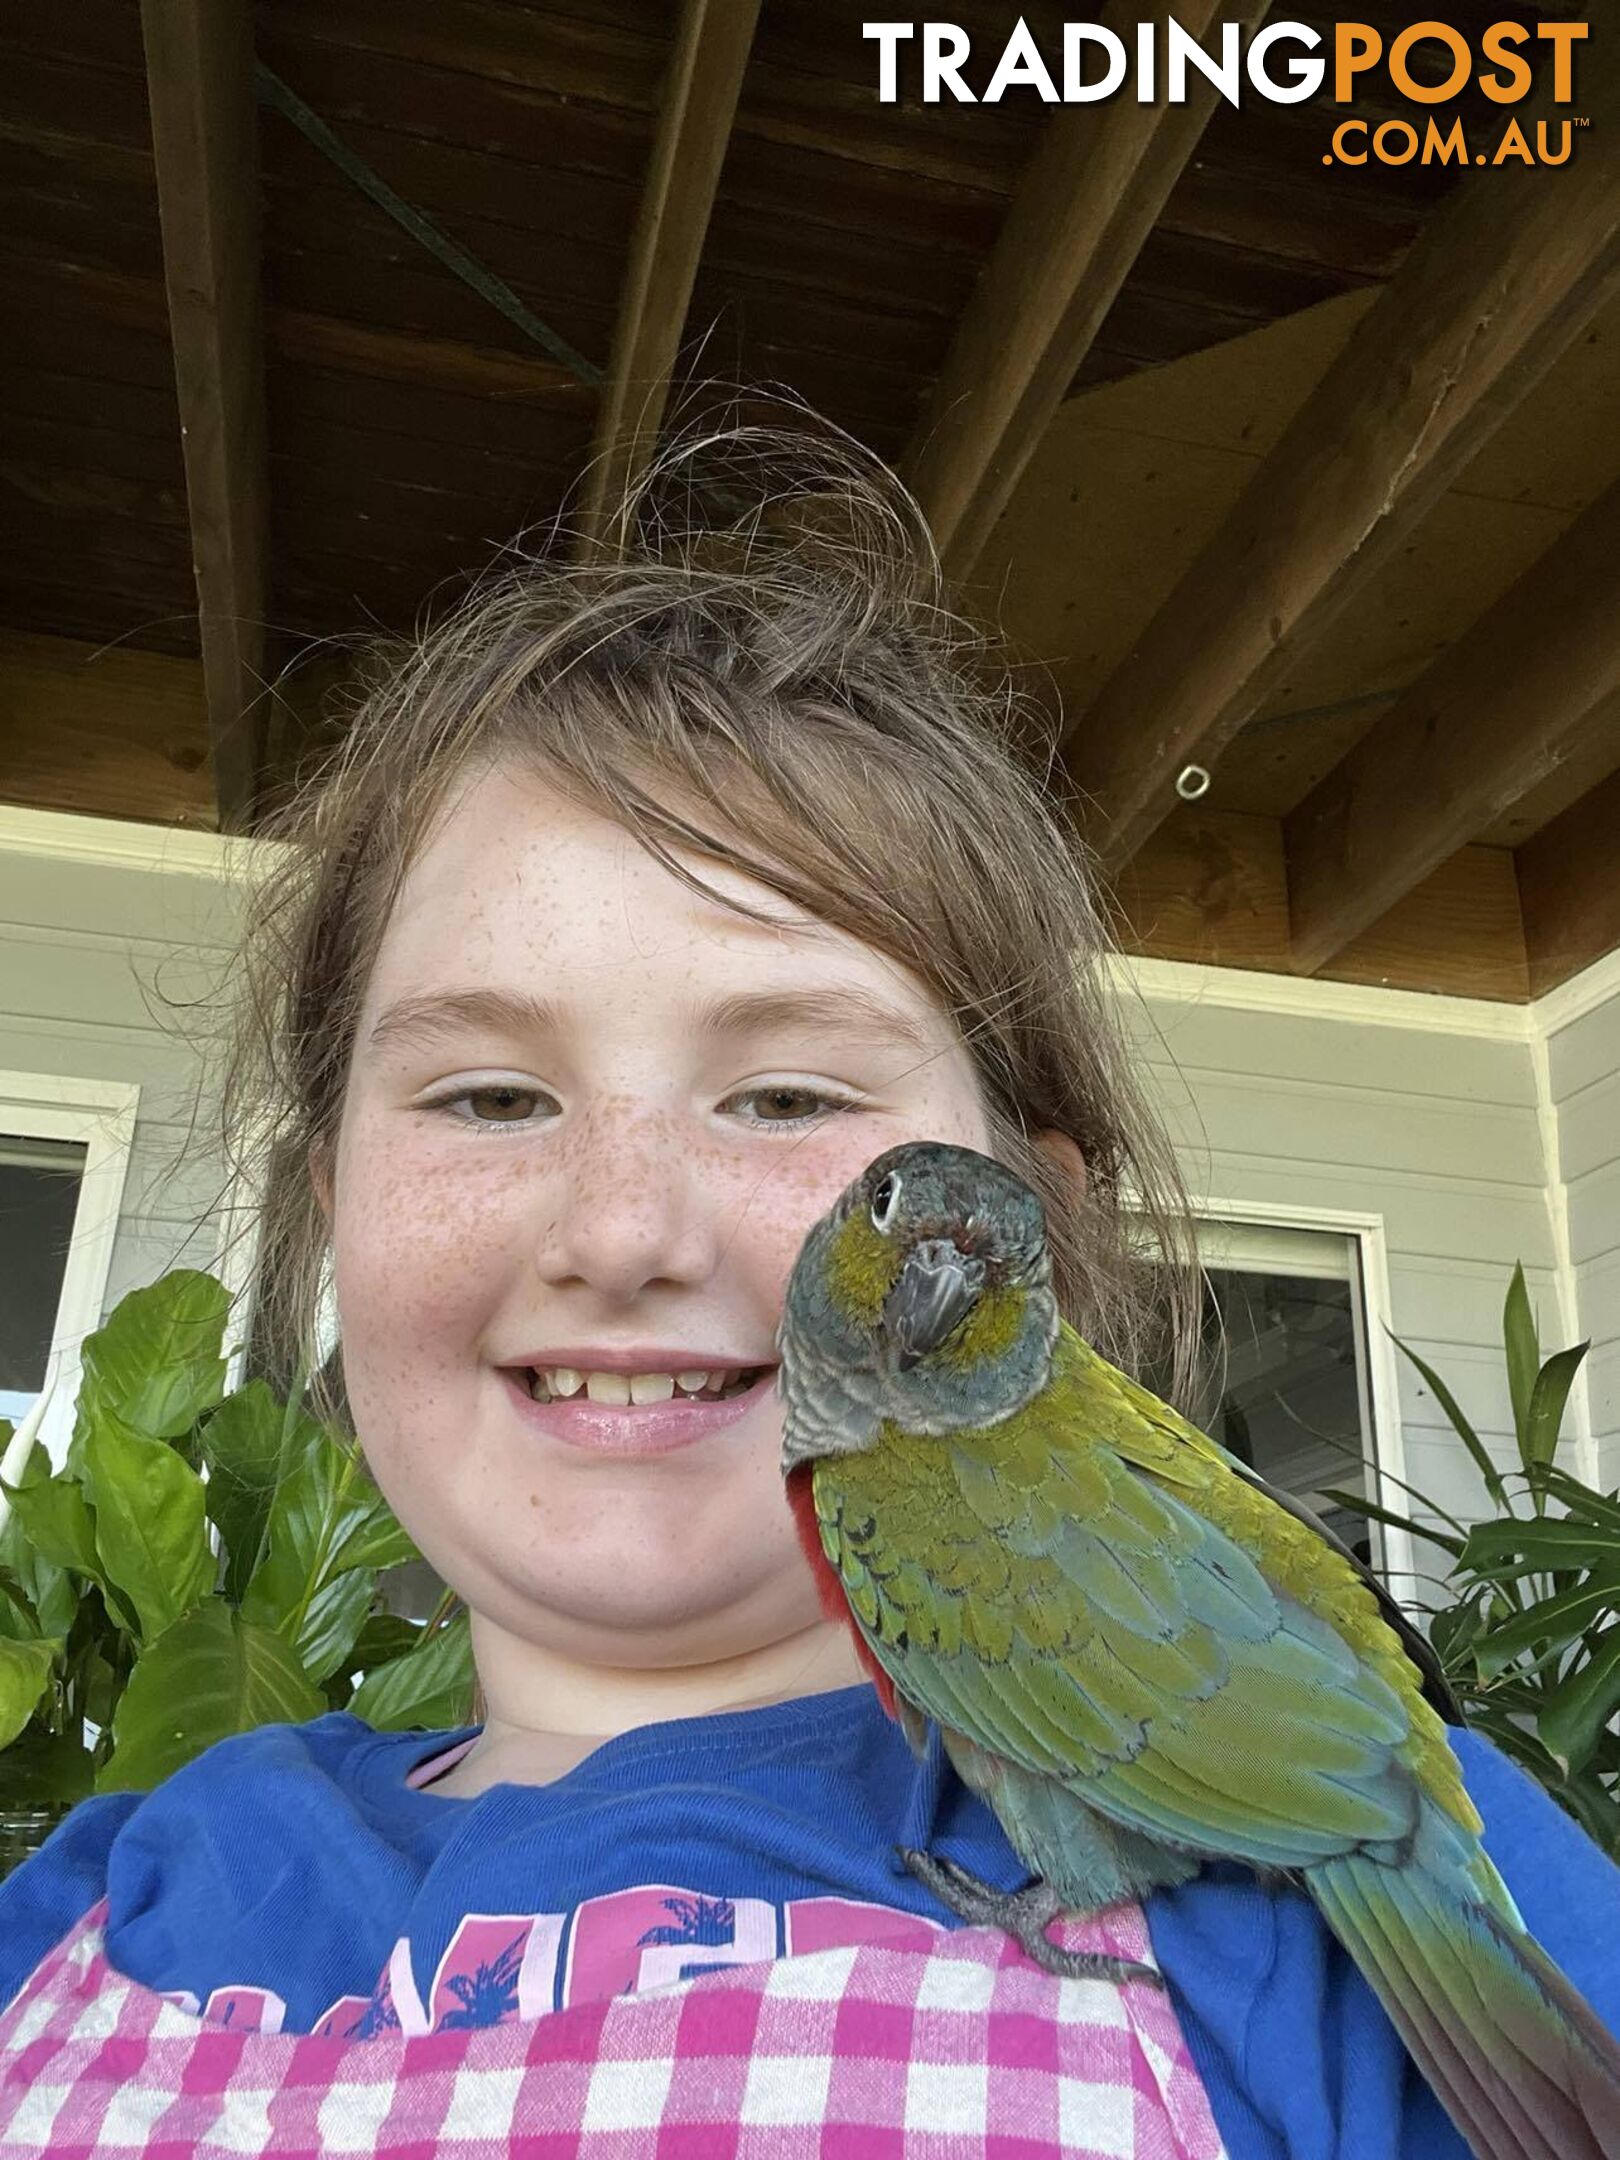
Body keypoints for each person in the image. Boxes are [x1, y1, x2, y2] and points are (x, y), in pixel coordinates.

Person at [1, 421, 1616, 2157]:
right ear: (328, 1209)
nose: (621, 1233)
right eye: (487, 1095)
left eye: (786, 1098)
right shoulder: (84, 1937)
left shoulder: (1350, 1948)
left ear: (1029, 1238)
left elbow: (1369, 1809)